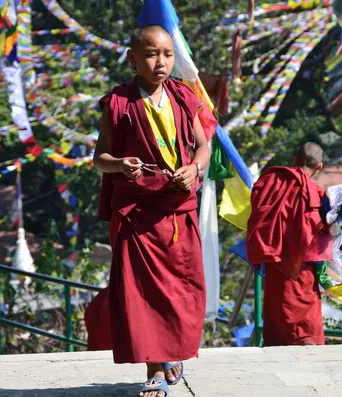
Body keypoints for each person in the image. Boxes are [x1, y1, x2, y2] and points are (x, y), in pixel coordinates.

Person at [91, 24, 211, 397]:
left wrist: (194, 168)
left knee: (182, 291)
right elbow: (100, 158)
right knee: (142, 295)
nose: (160, 62)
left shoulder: (183, 95)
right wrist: (120, 165)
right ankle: (155, 369)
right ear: (132, 58)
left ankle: (174, 353)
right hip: (137, 212)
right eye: (150, 54)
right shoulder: (119, 103)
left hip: (177, 208)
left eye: (167, 54)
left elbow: (204, 146)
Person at [246, 143, 333, 346]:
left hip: (274, 262)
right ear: (319, 166)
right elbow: (319, 226)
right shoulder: (314, 192)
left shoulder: (271, 181)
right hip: (301, 268)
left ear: (295, 159)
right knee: (305, 327)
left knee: (277, 317)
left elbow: (258, 207)